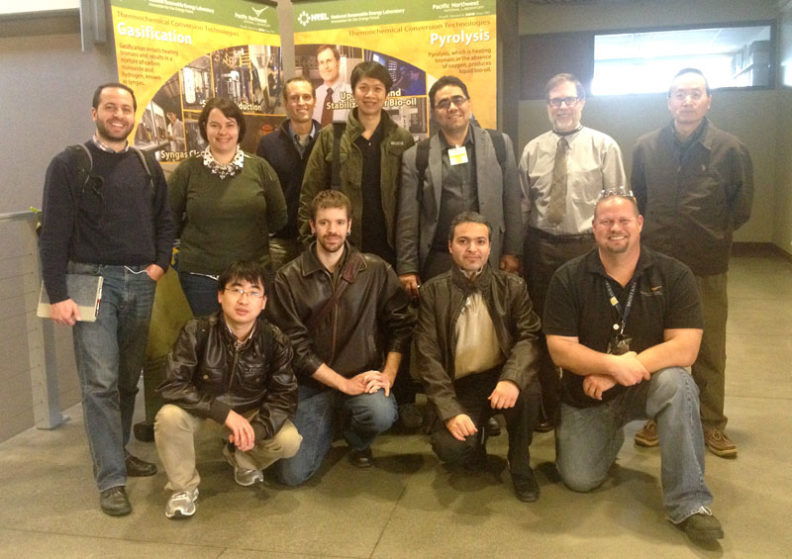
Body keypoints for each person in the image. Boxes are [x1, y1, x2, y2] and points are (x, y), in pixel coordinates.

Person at [544, 191, 723, 543]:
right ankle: (608, 436)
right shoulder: (568, 277)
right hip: (587, 395)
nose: (616, 228)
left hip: (646, 386)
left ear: (640, 224)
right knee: (579, 479)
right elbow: (560, 351)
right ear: (594, 227)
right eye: (606, 221)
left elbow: (686, 348)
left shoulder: (674, 274)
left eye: (624, 220)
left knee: (678, 383)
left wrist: (619, 371)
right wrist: (612, 364)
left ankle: (690, 503)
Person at [39, 82, 176, 516]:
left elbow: (165, 220)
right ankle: (111, 478)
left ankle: (117, 451)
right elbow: (53, 233)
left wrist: (159, 265)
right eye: (110, 107)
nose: (119, 115)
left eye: (126, 108)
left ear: (134, 115)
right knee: (99, 384)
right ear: (94, 112)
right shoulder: (69, 164)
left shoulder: (147, 165)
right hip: (89, 282)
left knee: (126, 379)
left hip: (139, 282)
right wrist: (58, 294)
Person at [631, 68, 753, 458]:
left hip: (706, 265)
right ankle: (656, 415)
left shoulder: (731, 149)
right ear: (669, 101)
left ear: (708, 101)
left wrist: (710, 234)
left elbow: (741, 207)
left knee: (709, 347)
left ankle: (711, 423)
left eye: (695, 94)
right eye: (679, 94)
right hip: (657, 265)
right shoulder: (646, 148)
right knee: (653, 343)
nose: (687, 101)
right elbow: (639, 200)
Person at [267, 191, 415, 485]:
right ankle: (332, 420)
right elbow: (296, 349)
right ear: (312, 226)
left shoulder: (375, 270)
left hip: (361, 377)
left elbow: (401, 326)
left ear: (349, 226)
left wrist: (388, 374)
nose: (332, 230)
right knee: (291, 475)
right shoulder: (288, 278)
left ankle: (356, 438)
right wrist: (342, 385)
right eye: (324, 223)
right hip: (310, 385)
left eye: (338, 222)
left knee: (381, 412)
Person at [519, 73, 627, 431]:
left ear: (581, 102)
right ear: (547, 106)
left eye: (569, 99)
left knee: (590, 326)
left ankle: (587, 402)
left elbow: (617, 207)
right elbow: (522, 206)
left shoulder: (604, 146)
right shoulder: (532, 150)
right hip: (541, 248)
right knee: (543, 327)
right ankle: (549, 405)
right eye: (555, 101)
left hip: (587, 249)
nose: (562, 106)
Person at [154, 261, 301, 519]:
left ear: (264, 302)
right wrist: (224, 413)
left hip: (249, 416)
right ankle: (183, 489)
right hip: (205, 415)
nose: (244, 300)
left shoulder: (274, 339)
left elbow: (284, 395)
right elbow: (172, 384)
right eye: (236, 290)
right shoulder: (197, 330)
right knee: (169, 416)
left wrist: (257, 431)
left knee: (289, 441)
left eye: (253, 292)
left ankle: (241, 459)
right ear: (220, 295)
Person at [414, 212, 543, 502]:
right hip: (460, 384)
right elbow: (427, 358)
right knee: (451, 449)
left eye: (480, 241)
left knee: (529, 390)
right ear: (450, 246)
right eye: (463, 241)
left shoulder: (513, 286)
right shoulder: (433, 292)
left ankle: (519, 462)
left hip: (500, 376)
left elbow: (529, 337)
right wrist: (450, 410)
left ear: (489, 246)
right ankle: (477, 436)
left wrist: (512, 379)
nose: (472, 248)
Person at [397, 75, 522, 292]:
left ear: (469, 104)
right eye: (443, 103)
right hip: (439, 259)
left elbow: (512, 201)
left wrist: (512, 251)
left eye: (458, 100)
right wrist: (407, 267)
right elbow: (408, 216)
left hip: (488, 257)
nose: (452, 107)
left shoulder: (499, 144)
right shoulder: (416, 156)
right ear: (434, 112)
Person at [169, 97, 287, 316]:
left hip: (252, 275)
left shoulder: (260, 168)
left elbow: (279, 216)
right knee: (209, 335)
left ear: (239, 127)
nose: (222, 132)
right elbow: (169, 218)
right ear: (204, 127)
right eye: (215, 125)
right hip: (200, 277)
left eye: (229, 124)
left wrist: (249, 233)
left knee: (248, 335)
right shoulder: (187, 170)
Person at [298, 61, 414, 266]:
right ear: (353, 91)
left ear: (386, 94)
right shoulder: (331, 136)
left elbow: (410, 203)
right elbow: (310, 193)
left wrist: (408, 260)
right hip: (341, 248)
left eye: (377, 89)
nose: (370, 95)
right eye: (363, 88)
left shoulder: (402, 138)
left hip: (389, 248)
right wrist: (310, 244)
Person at [256, 77, 320, 271]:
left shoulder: (329, 141)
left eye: (306, 97)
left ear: (314, 101)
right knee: (276, 289)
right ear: (285, 103)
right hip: (279, 242)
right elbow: (261, 193)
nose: (301, 103)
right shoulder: (268, 144)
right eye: (294, 98)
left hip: (319, 239)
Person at [312, 45, 353, 126]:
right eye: (321, 63)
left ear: (338, 63)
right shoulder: (313, 96)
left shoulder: (351, 94)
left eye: (329, 61)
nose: (325, 66)